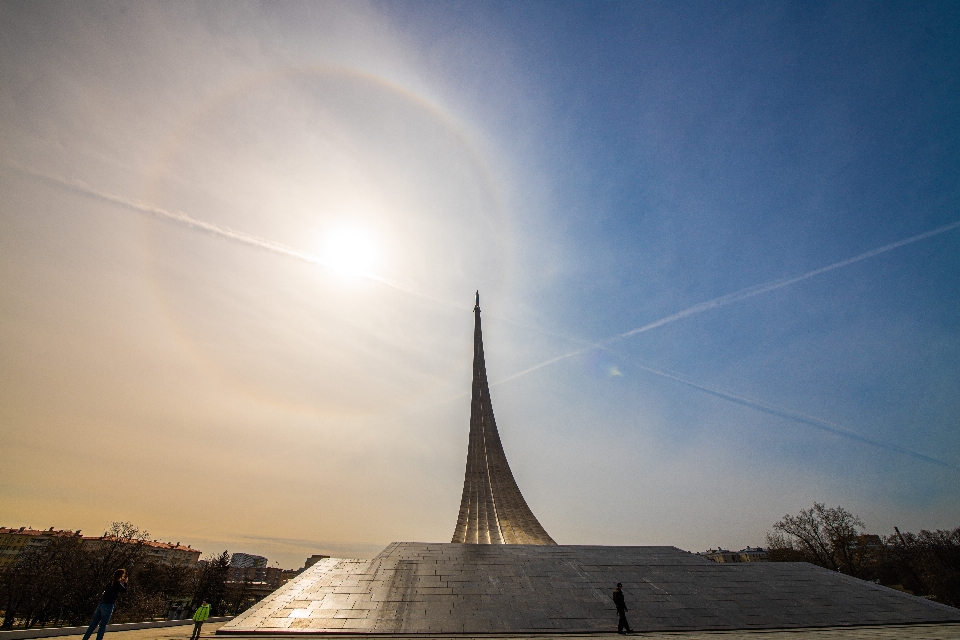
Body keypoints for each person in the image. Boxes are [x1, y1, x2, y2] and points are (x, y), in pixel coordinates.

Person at [82, 569, 128, 640]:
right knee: (102, 626)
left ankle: (85, 639)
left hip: (101, 604)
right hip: (108, 605)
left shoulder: (110, 583)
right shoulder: (117, 584)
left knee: (93, 625)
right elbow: (124, 590)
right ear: (121, 576)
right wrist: (125, 583)